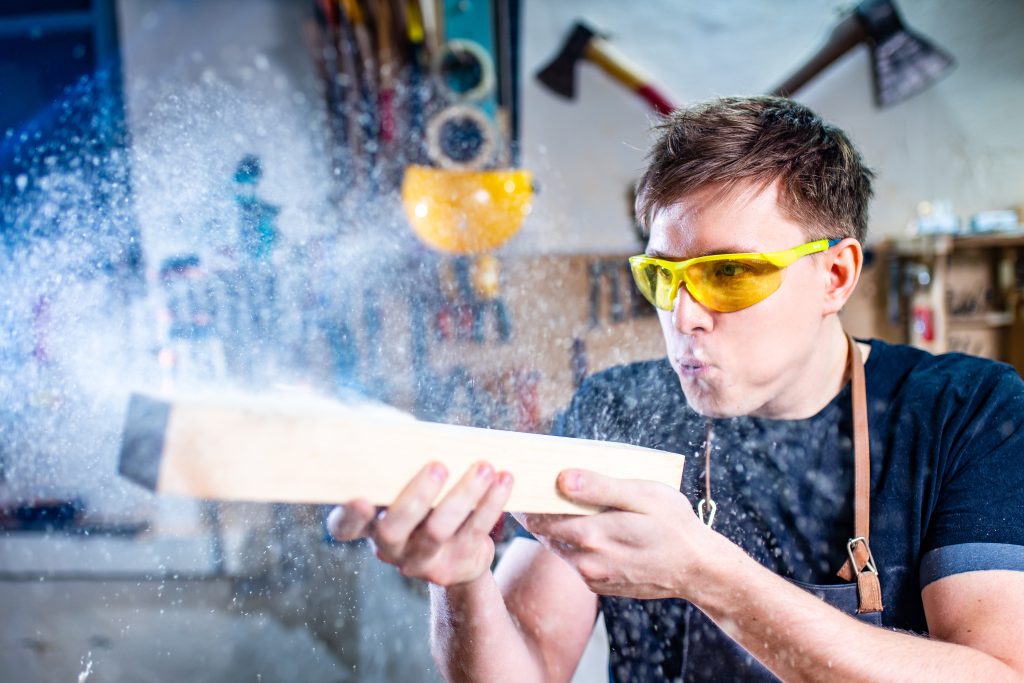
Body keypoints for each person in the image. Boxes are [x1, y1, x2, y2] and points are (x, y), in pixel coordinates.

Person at [327, 96, 1024, 681]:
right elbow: (526, 667)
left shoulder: (965, 412)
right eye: (664, 276)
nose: (684, 316)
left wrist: (705, 573)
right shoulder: (616, 411)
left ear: (835, 276)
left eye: (729, 273)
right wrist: (461, 580)